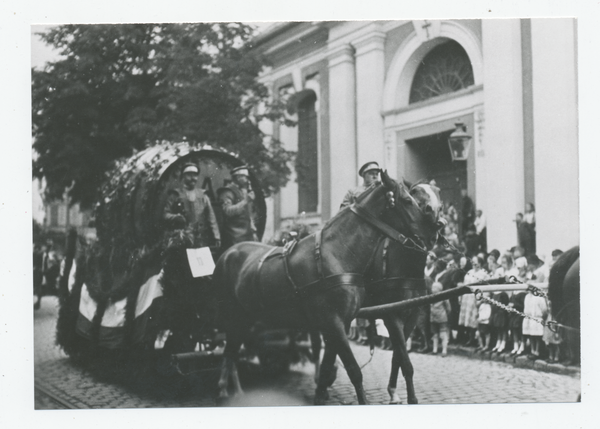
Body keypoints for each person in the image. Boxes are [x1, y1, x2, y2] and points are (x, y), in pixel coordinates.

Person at [164, 163, 221, 249]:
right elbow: (165, 214)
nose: (193, 178)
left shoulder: (203, 195)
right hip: (181, 237)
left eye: (195, 175)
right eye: (189, 175)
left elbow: (211, 217)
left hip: (201, 238)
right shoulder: (175, 195)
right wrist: (175, 217)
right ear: (183, 176)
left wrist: (217, 237)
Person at [217, 165, 259, 250]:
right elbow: (228, 211)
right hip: (233, 237)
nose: (247, 180)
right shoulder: (227, 192)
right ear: (238, 177)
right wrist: (245, 201)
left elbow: (248, 214)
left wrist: (253, 230)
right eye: (245, 177)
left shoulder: (243, 191)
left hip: (246, 235)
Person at [458, 256, 488, 346]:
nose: (474, 264)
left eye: (476, 262)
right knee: (466, 318)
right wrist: (461, 296)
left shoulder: (483, 274)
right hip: (467, 297)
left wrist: (481, 299)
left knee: (474, 318)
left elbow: (484, 288)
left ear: (480, 263)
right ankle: (468, 338)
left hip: (475, 297)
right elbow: (464, 285)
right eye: (473, 262)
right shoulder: (469, 272)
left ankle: (474, 339)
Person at [429, 281, 451, 356]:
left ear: (439, 289)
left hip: (442, 318)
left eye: (435, 288)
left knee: (443, 334)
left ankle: (444, 350)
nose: (433, 289)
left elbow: (448, 309)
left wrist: (444, 314)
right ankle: (435, 349)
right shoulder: (430, 297)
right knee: (434, 334)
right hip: (433, 318)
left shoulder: (444, 297)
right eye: (432, 287)